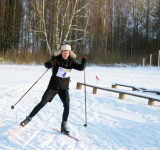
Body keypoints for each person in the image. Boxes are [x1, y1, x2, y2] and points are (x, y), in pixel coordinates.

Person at [20, 44, 86, 135]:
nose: (65, 55)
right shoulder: (56, 59)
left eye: (67, 53)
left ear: (69, 53)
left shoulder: (71, 61)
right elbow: (47, 63)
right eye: (64, 53)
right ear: (61, 52)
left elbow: (80, 68)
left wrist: (83, 63)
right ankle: (28, 118)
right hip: (53, 87)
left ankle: (64, 124)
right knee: (43, 102)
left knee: (67, 105)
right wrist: (49, 64)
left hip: (63, 88)